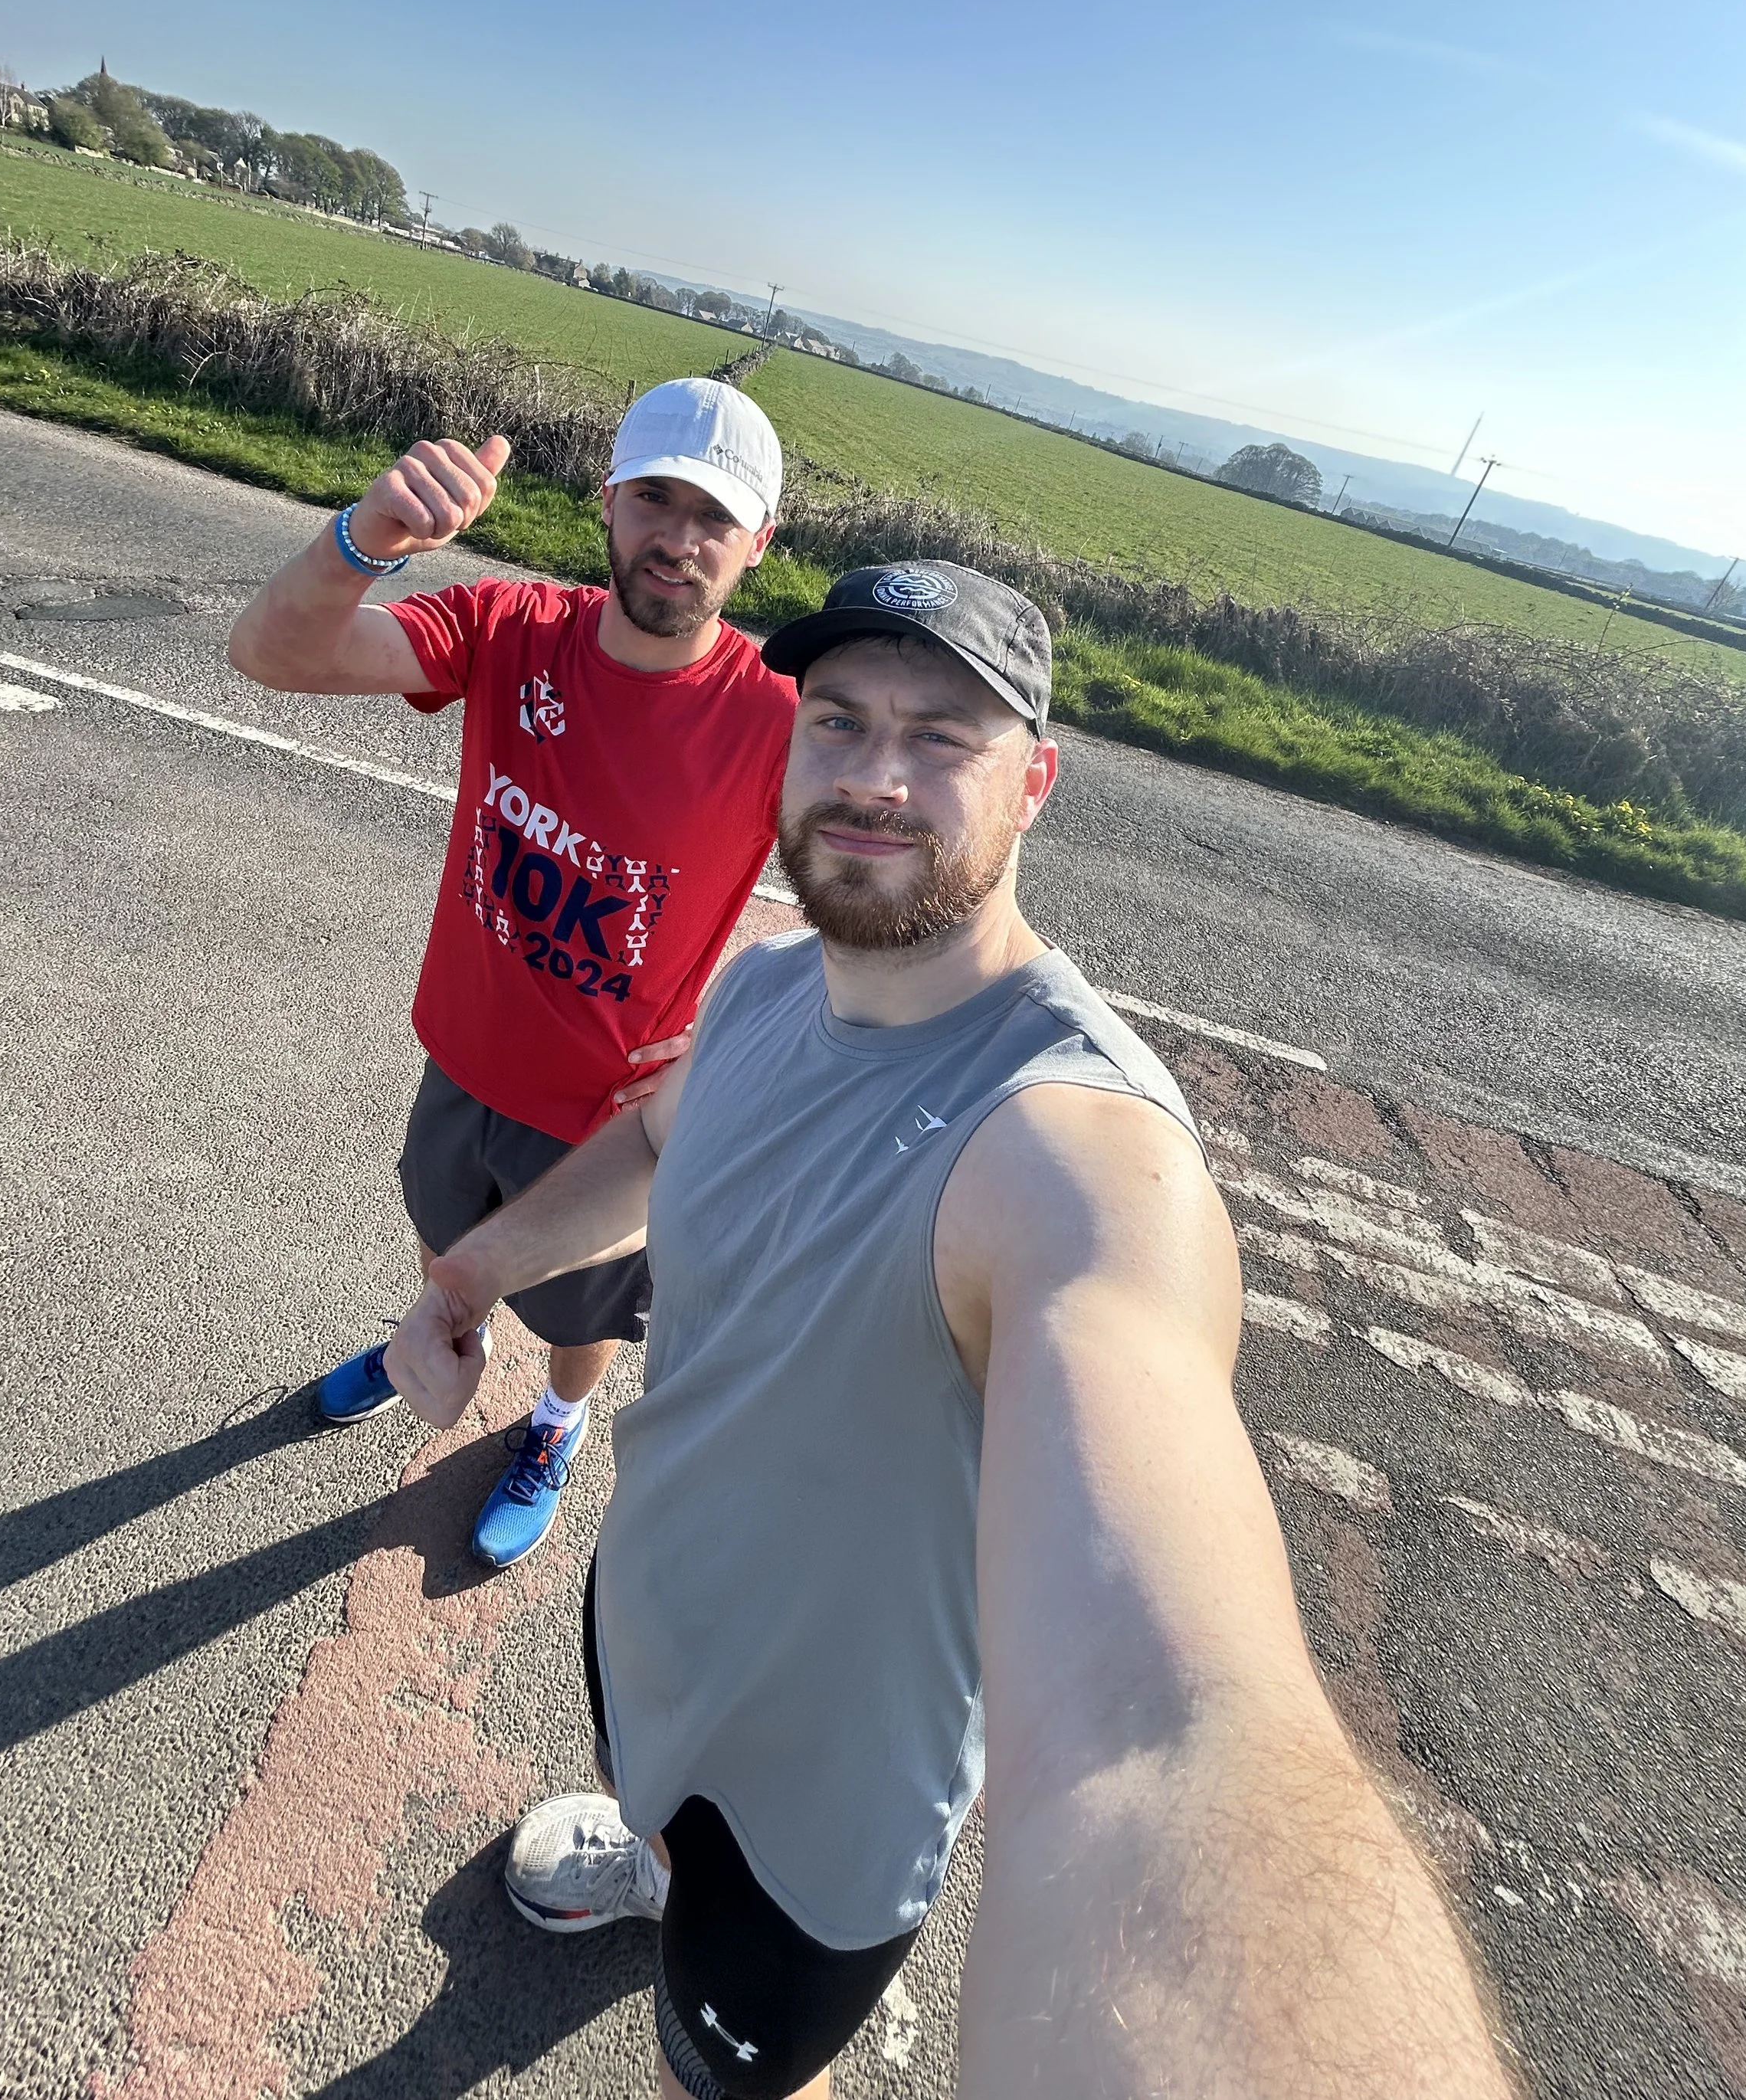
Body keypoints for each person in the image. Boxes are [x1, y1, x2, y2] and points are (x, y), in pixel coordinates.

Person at [382, 559, 1513, 2100]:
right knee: (656, 1823)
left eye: (941, 737)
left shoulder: (1073, 1151)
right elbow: (655, 1138)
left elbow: (1169, 1726)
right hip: (650, 1626)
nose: (874, 776)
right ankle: (654, 1864)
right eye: (838, 719)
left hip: (819, 1814)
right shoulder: (767, 987)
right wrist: (471, 1272)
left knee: (723, 2075)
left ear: (1034, 782)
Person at [228, 376, 799, 1568]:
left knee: (583, 1316)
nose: (679, 539)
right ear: (609, 500)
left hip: (607, 1125)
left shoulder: (777, 720)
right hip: (462, 1057)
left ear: (760, 544)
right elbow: (270, 653)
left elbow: (884, 906)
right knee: (443, 1233)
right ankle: (439, 1334)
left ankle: (554, 1421)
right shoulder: (511, 627)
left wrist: (736, 1032)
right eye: (656, 499)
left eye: (715, 517)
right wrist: (365, 536)